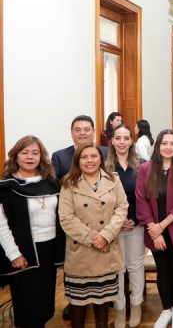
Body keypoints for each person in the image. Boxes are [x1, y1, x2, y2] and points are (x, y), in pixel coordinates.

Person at [59, 141, 128, 328]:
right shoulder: (68, 183)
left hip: (107, 251)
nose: (89, 160)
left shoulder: (113, 179)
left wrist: (106, 236)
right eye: (84, 157)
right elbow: (66, 218)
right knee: (78, 306)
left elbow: (122, 207)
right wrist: (94, 239)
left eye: (94, 156)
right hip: (81, 252)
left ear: (101, 158)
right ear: (77, 161)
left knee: (102, 304)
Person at [0, 136, 65, 328]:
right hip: (23, 253)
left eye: (35, 153)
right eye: (25, 152)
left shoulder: (52, 182)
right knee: (27, 307)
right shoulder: (6, 186)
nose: (30, 157)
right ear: (15, 156)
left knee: (44, 305)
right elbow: (1, 225)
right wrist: (14, 255)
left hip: (49, 251)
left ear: (41, 157)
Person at [135, 130, 173, 328]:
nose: (168, 147)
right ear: (158, 146)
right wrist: (154, 229)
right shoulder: (146, 169)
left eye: (172, 144)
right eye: (164, 143)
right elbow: (141, 200)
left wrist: (162, 226)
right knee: (163, 271)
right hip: (154, 231)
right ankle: (166, 309)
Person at [51, 114, 108, 321]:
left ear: (93, 132)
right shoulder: (60, 157)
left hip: (102, 220)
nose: (82, 133)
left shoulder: (105, 152)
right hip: (75, 222)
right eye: (78, 129)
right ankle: (73, 301)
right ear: (72, 133)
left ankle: (101, 300)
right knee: (75, 266)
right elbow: (56, 190)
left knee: (102, 266)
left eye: (87, 129)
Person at [105, 125, 146, 328]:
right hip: (113, 228)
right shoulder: (103, 166)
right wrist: (117, 222)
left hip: (136, 225)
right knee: (118, 269)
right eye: (118, 138)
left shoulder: (143, 166)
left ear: (132, 141)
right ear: (112, 140)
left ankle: (136, 305)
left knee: (136, 266)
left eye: (126, 138)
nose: (122, 142)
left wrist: (136, 219)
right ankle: (120, 308)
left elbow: (147, 197)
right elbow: (101, 200)